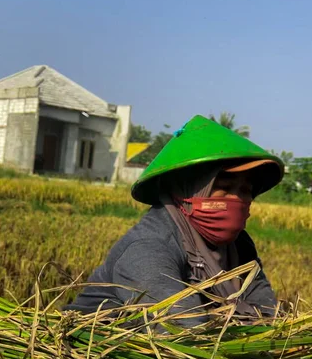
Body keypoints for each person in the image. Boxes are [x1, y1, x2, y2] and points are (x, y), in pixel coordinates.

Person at [65, 115, 284, 327]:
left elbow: (268, 313)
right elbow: (183, 329)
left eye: (245, 190)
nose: (237, 199)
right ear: (186, 190)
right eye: (224, 188)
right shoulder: (148, 249)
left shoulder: (239, 247)